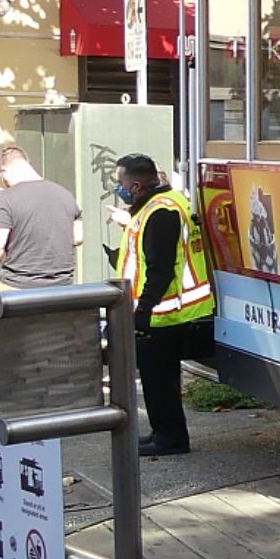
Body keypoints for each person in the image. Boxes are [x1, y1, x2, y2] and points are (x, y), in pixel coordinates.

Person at [113, 154, 215, 457]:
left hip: (163, 311)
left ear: (136, 185)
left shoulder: (159, 213)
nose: (118, 189)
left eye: (120, 183)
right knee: (159, 379)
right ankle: (163, 431)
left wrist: (143, 310)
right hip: (170, 308)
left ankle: (170, 437)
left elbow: (161, 268)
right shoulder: (168, 202)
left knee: (159, 380)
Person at [0, 147, 83, 289]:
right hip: (62, 286)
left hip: (18, 286)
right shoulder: (65, 194)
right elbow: (78, 237)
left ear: (3, 171)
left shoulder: (5, 199)